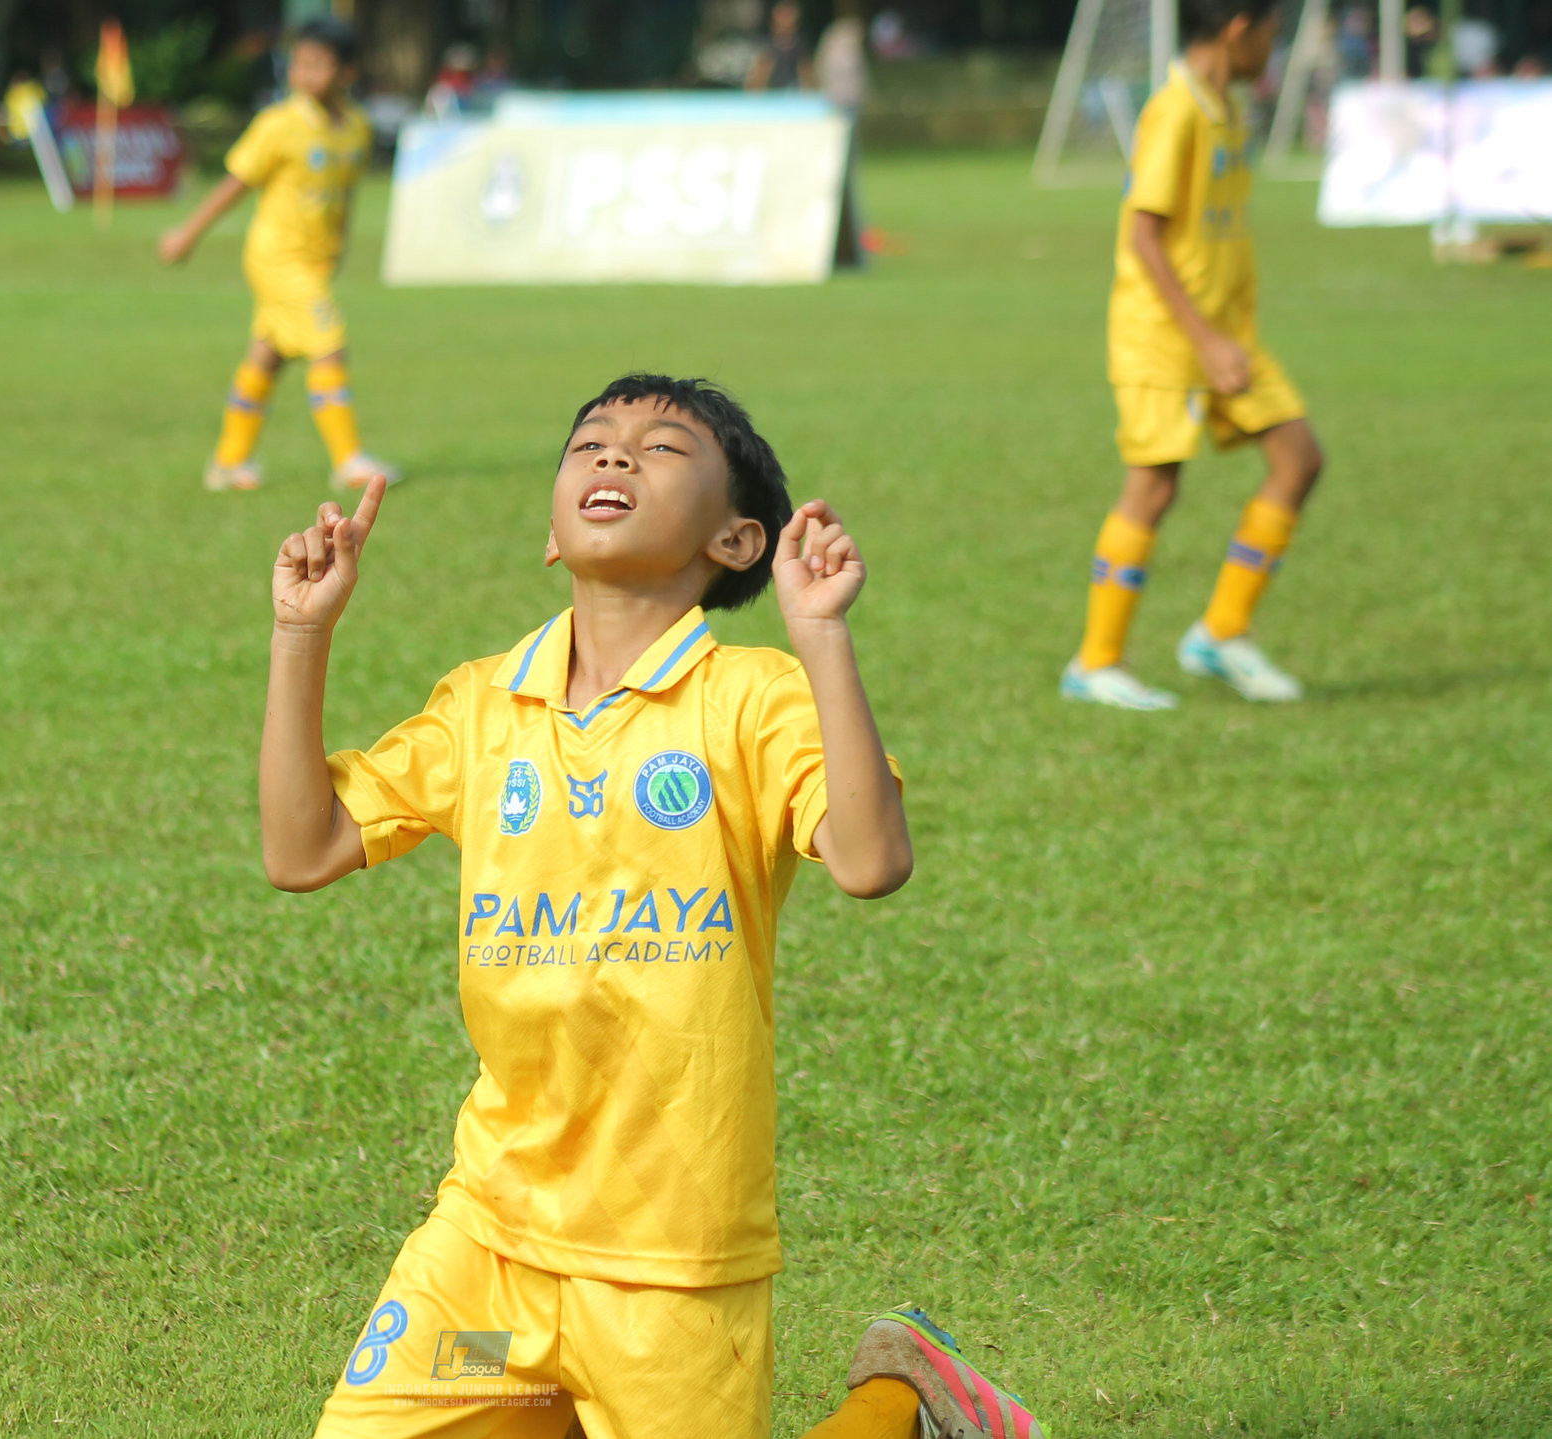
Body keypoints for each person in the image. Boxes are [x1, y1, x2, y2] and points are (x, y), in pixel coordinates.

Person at [260, 373, 1048, 1439]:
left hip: (671, 1261)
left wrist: (820, 636)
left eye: (662, 449)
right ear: (549, 531)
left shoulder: (753, 697)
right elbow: (301, 848)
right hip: (488, 1241)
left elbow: (868, 859)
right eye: (590, 443)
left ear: (735, 542)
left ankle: (901, 1402)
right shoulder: (484, 702)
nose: (614, 456)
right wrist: (300, 633)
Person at [1062, 0, 1326, 709]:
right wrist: (1205, 339)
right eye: (1272, 32)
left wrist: (1226, 334)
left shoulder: (1227, 108)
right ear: (1239, 29)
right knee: (1154, 485)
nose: (1276, 46)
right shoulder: (1175, 111)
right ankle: (1096, 661)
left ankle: (1222, 632)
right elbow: (1144, 234)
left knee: (1299, 457)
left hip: (1227, 336)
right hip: (1167, 335)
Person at [157, 20, 396, 494]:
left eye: (319, 65)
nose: (305, 73)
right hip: (276, 257)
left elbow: (344, 196)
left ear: (347, 71)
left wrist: (338, 247)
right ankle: (348, 461)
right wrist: (188, 234)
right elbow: (235, 185)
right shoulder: (279, 126)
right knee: (329, 341)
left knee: (267, 356)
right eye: (300, 63)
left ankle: (227, 463)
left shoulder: (357, 130)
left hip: (316, 262)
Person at [747, 0, 815, 91]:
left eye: (788, 15)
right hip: (771, 99)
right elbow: (753, 88)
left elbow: (811, 86)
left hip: (796, 99)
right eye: (782, 15)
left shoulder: (802, 48)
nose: (785, 20)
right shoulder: (766, 48)